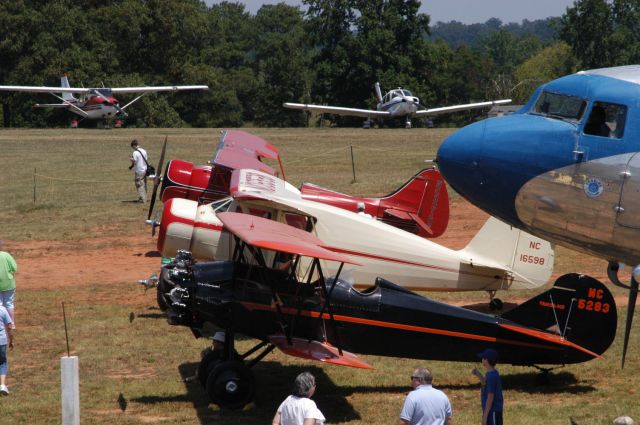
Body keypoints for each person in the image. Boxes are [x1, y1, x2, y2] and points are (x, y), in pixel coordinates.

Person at [472, 348, 503, 425]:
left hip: (493, 411)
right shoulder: (491, 373)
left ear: (486, 360)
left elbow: (490, 397)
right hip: (491, 410)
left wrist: (485, 416)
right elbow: (485, 383)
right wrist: (478, 374)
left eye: (483, 358)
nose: (481, 359)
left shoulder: (491, 376)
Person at [0, 241, 17, 327]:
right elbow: (14, 268)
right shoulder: (6, 255)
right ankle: (11, 324)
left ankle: (2, 324)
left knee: (0, 305)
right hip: (9, 283)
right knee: (9, 304)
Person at [0, 304, 14, 396]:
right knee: (2, 362)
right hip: (1, 340)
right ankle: (2, 385)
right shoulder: (2, 309)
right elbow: (9, 326)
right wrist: (11, 340)